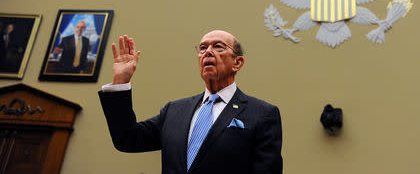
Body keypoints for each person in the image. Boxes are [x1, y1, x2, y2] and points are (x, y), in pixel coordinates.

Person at [98, 30, 283, 174]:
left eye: (218, 46)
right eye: (203, 48)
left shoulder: (262, 114)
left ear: (238, 62)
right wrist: (121, 81)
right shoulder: (174, 110)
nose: (208, 52)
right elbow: (127, 140)